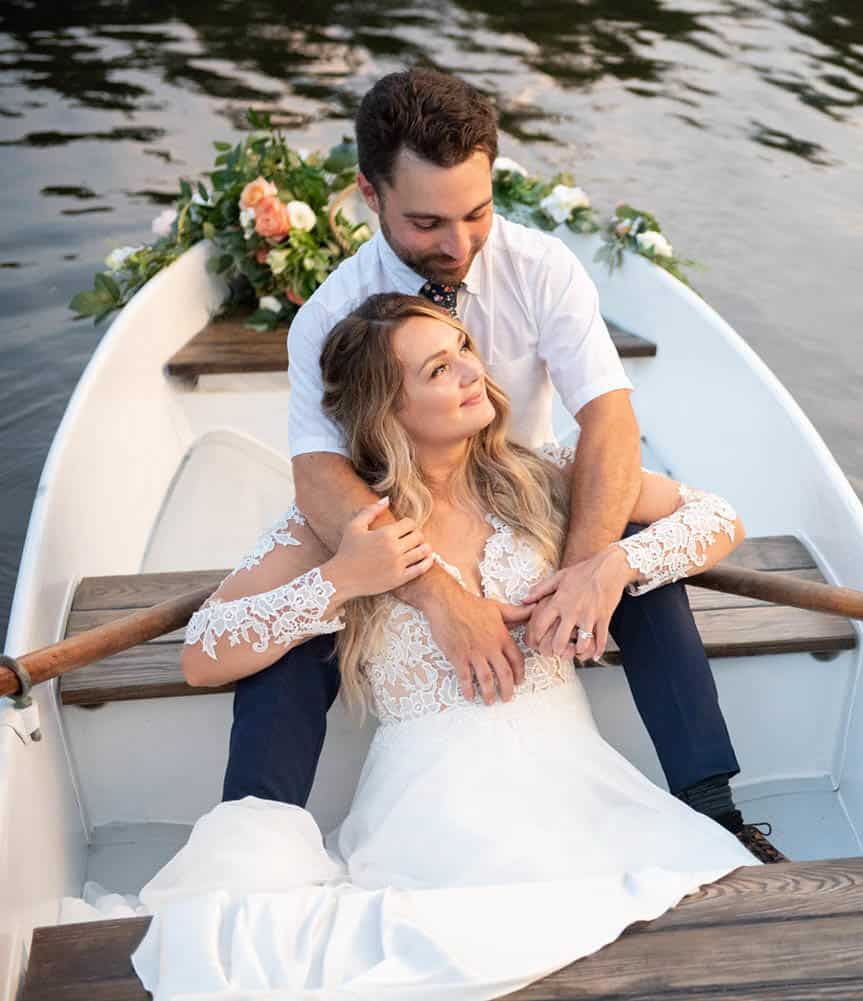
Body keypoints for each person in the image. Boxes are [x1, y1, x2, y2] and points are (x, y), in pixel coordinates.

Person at [130, 293, 757, 999]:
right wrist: (341, 579)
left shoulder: (540, 474)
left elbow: (718, 515)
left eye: (463, 349)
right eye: (438, 367)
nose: (470, 370)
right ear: (387, 410)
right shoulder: (341, 526)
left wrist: (609, 566)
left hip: (578, 783)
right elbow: (203, 650)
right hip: (432, 803)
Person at [229, 65, 782, 861]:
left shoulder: (540, 267)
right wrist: (428, 589)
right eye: (427, 223)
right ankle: (252, 854)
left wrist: (593, 564)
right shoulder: (327, 317)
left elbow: (610, 419)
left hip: (526, 500)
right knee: (302, 617)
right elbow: (319, 476)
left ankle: (714, 810)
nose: (457, 246)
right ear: (369, 193)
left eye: (476, 213)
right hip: (398, 511)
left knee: (633, 549)